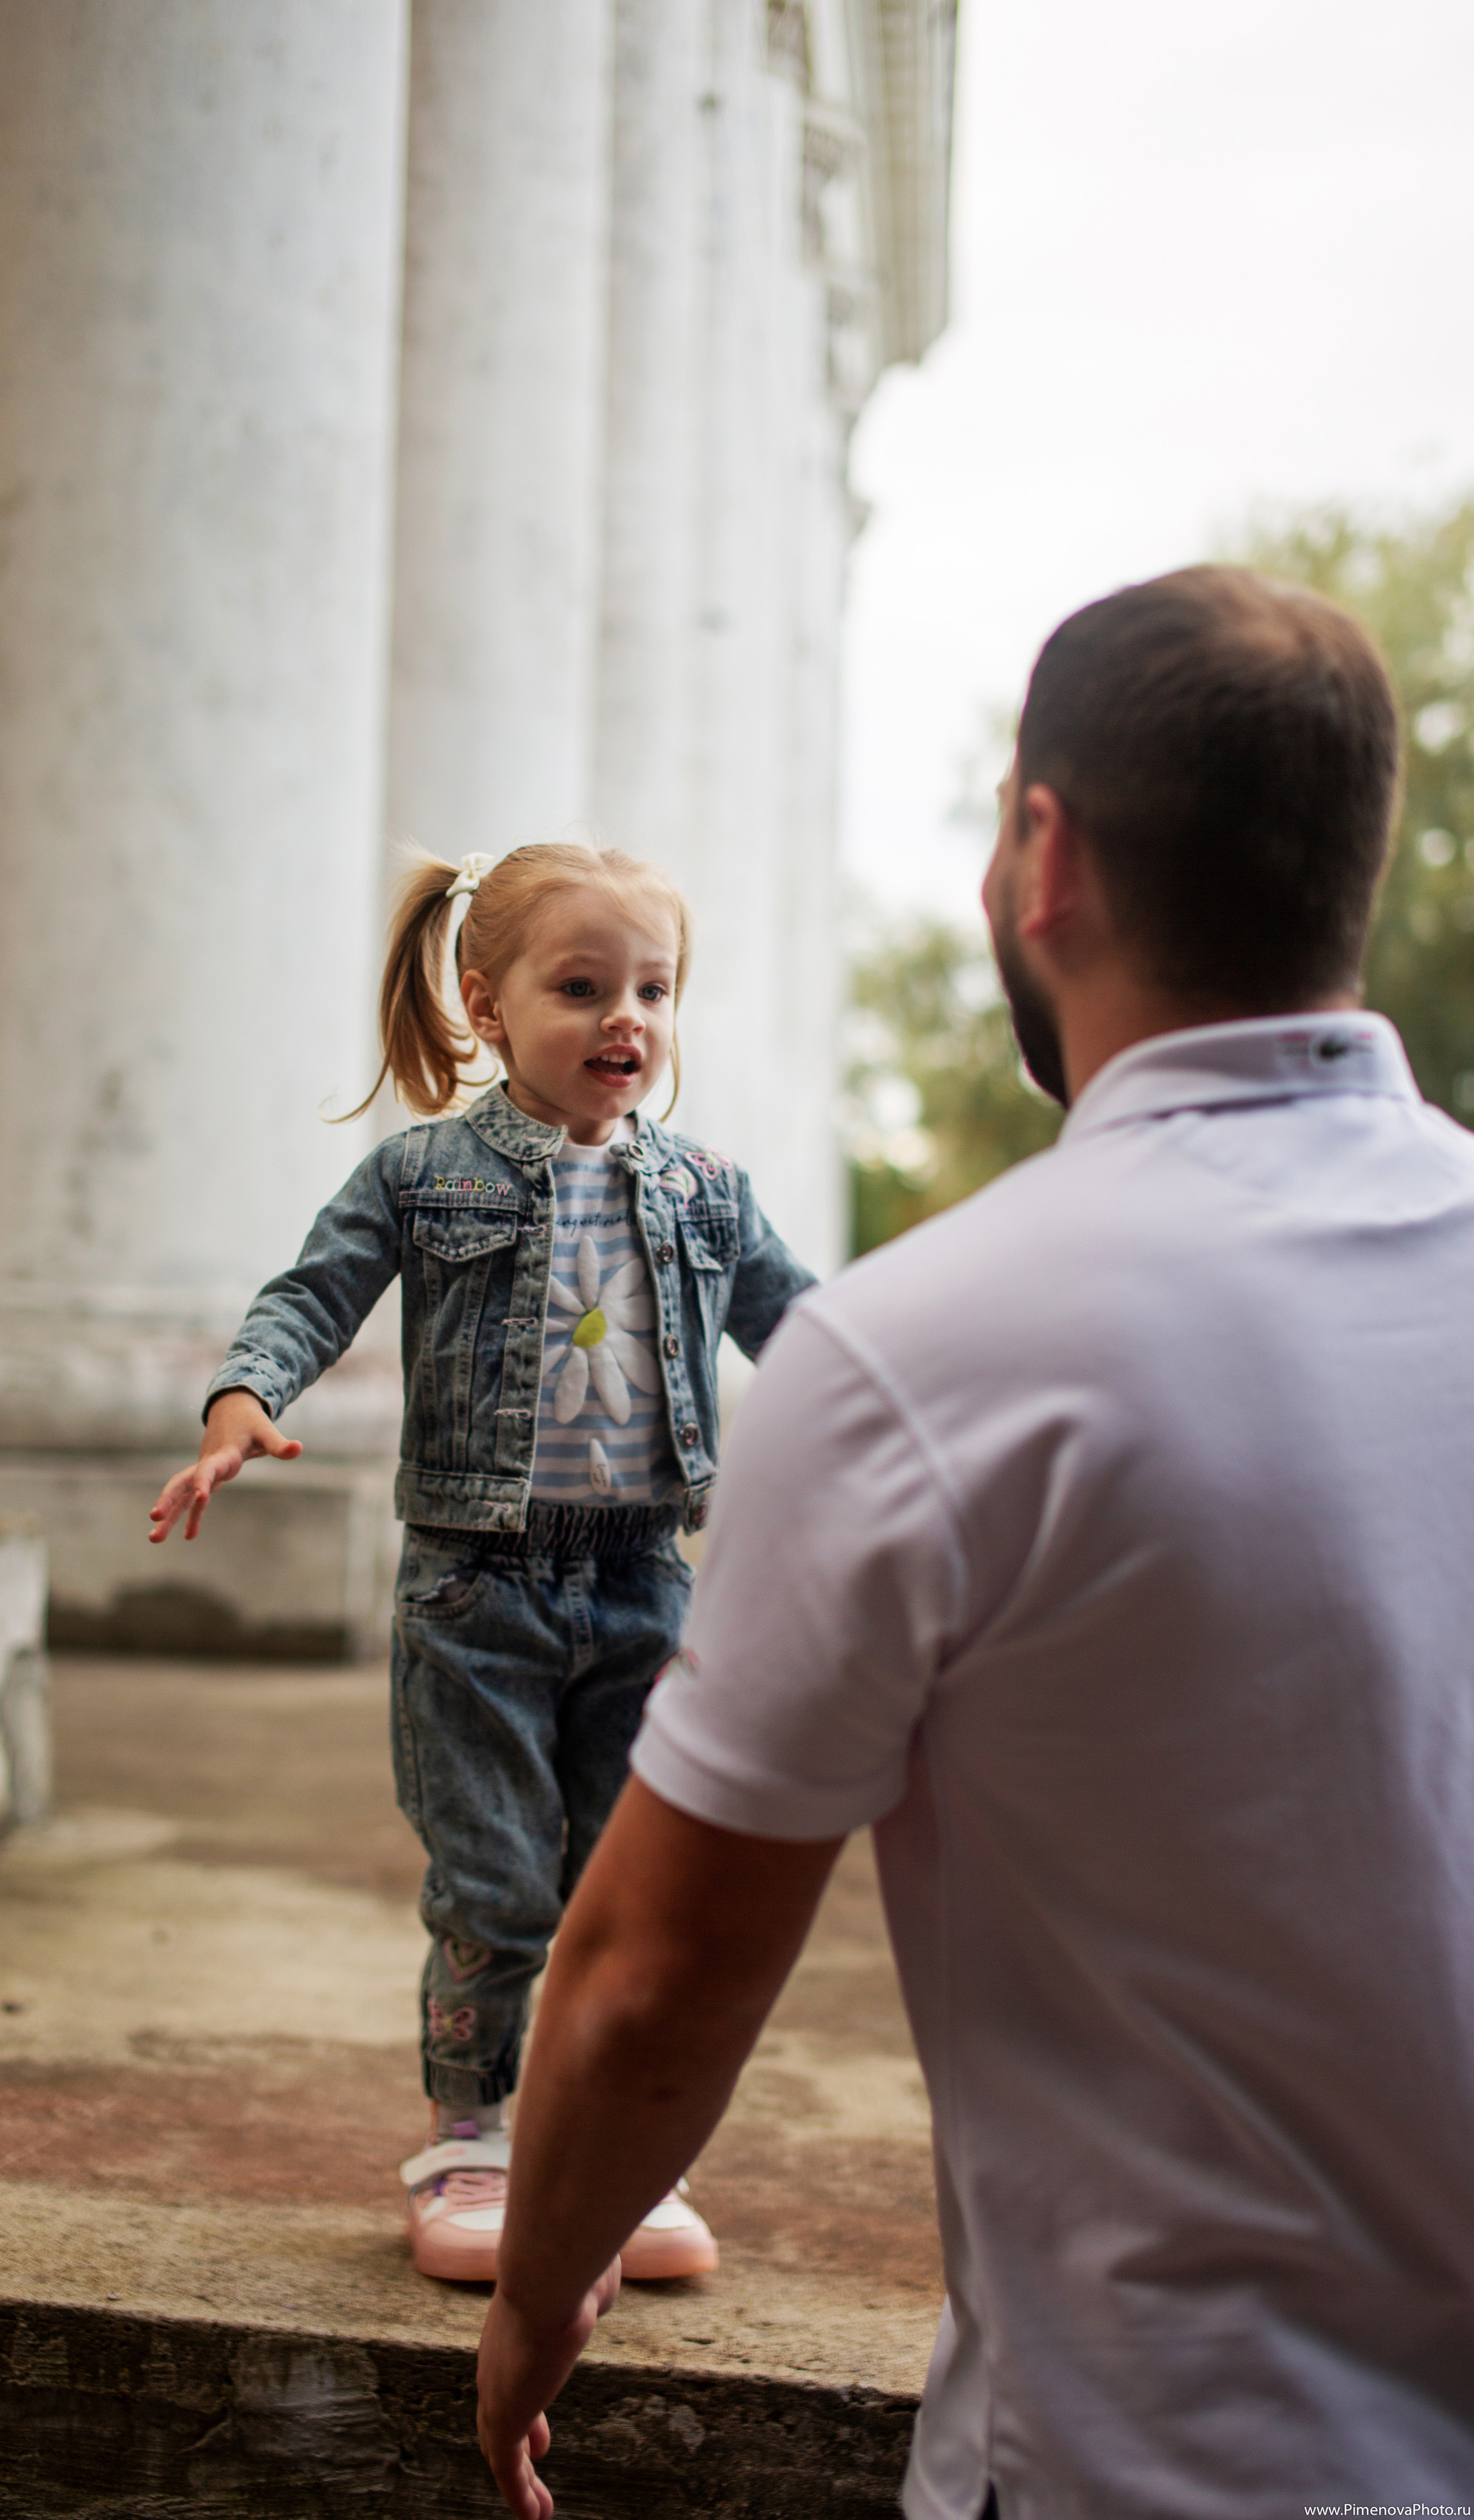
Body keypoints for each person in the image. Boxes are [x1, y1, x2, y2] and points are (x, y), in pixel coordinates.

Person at [474, 568, 1474, 2519]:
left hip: (1145, 2462)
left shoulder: (927, 1356)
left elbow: (651, 1981)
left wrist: (534, 2305)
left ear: (1043, 854)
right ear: (1359, 865)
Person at [147, 839, 815, 2282]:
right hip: (474, 1594)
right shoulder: (421, 1175)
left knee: (620, 1893)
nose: (623, 1017)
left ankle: (613, 2154)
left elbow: (813, 1338)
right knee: (499, 1887)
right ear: (484, 1002)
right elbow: (308, 1295)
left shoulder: (705, 1188)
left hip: (643, 1582)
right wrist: (240, 1402)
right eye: (581, 986)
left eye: (653, 987)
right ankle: (468, 2140)